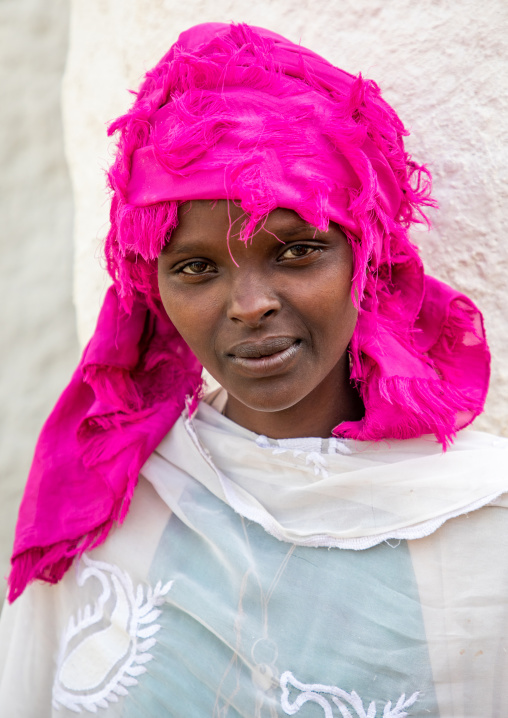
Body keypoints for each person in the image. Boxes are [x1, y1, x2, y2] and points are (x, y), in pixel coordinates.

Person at [0, 21, 506, 718]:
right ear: (152, 289)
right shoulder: (109, 502)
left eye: (296, 251)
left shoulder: (480, 523)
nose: (249, 305)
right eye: (195, 268)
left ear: (365, 256)